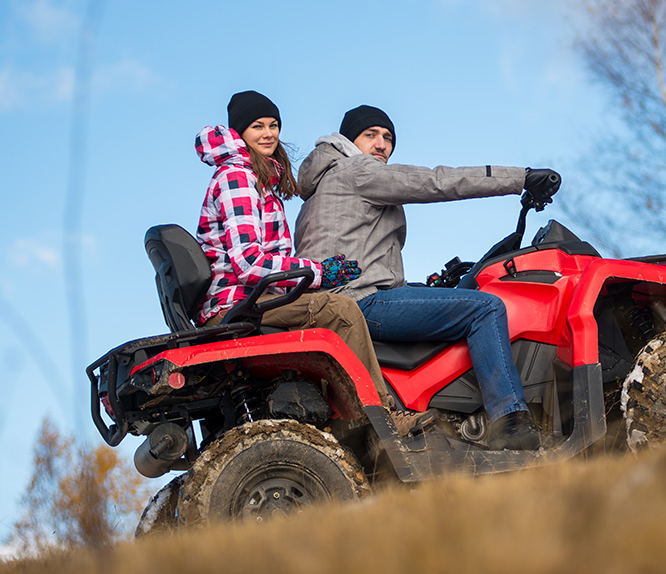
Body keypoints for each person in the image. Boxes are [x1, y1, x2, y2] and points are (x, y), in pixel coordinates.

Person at [294, 104, 560, 450]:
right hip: (362, 303)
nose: (381, 145)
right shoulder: (358, 171)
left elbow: (362, 259)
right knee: (485, 309)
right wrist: (521, 178)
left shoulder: (317, 193)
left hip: (342, 302)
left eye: (388, 138)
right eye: (370, 135)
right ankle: (509, 420)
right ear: (348, 140)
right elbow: (436, 182)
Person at [194, 91, 431, 436]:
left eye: (273, 125)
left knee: (326, 311)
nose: (268, 134)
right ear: (239, 133)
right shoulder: (238, 178)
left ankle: (336, 421)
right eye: (257, 126)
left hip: (251, 298)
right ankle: (382, 421)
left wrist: (319, 273)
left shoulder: (260, 179)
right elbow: (248, 263)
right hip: (237, 302)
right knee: (342, 311)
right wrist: (317, 274)